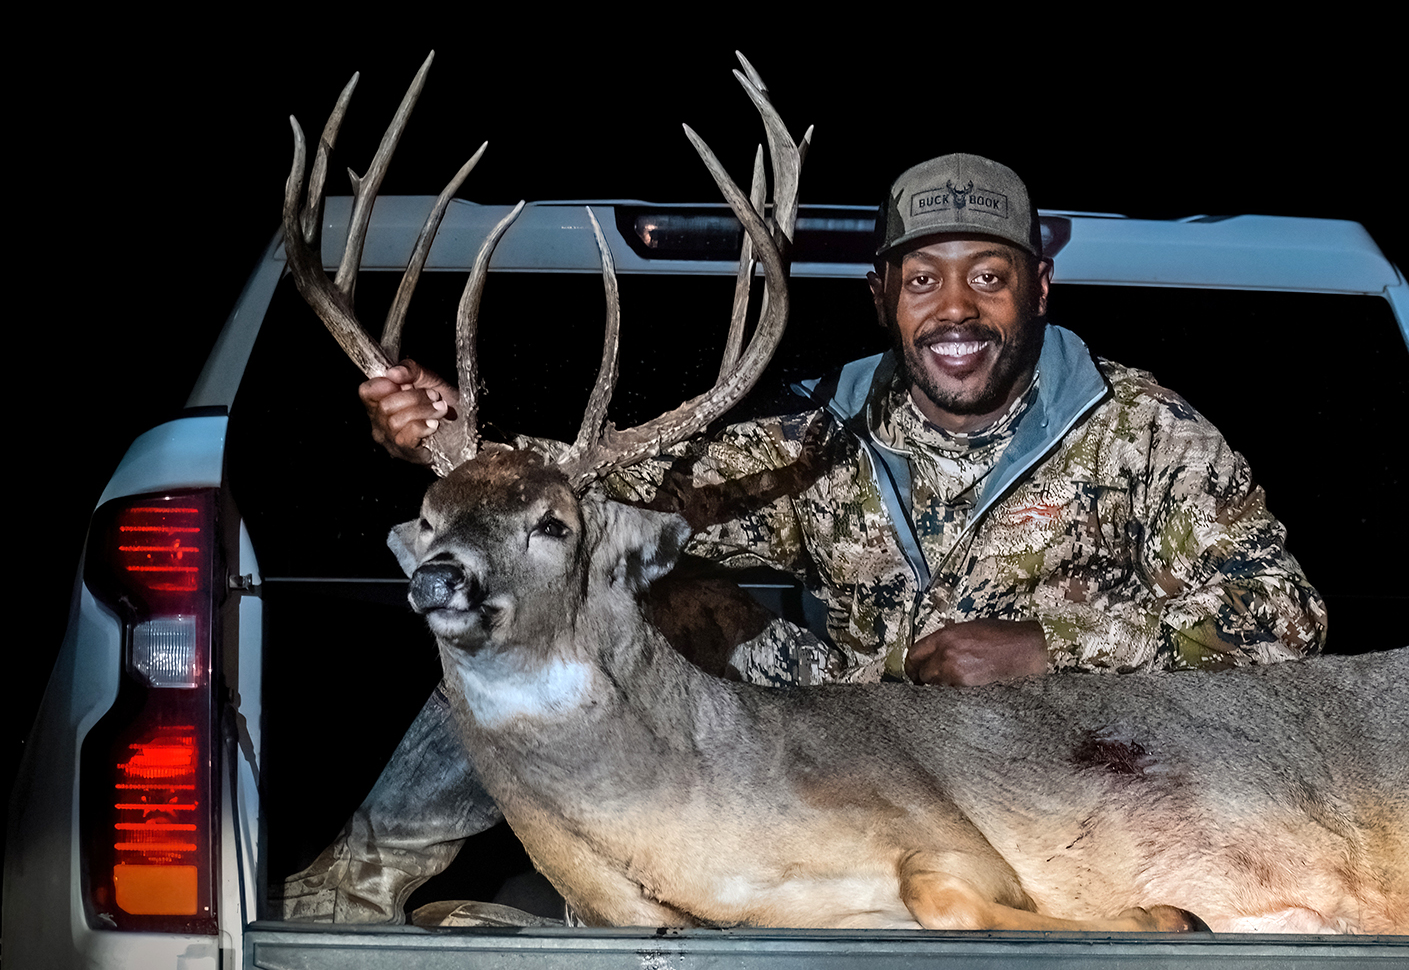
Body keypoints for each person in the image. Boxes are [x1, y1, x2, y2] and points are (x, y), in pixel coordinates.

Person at [284, 153, 1326, 923]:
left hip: (1065, 784)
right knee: (573, 586)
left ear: (1036, 291)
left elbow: (1283, 620)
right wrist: (462, 443)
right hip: (854, 753)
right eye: (923, 279)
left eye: (988, 277)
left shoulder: (1144, 431)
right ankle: (364, 886)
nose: (955, 307)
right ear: (881, 297)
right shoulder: (821, 439)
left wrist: (1056, 654)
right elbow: (607, 495)